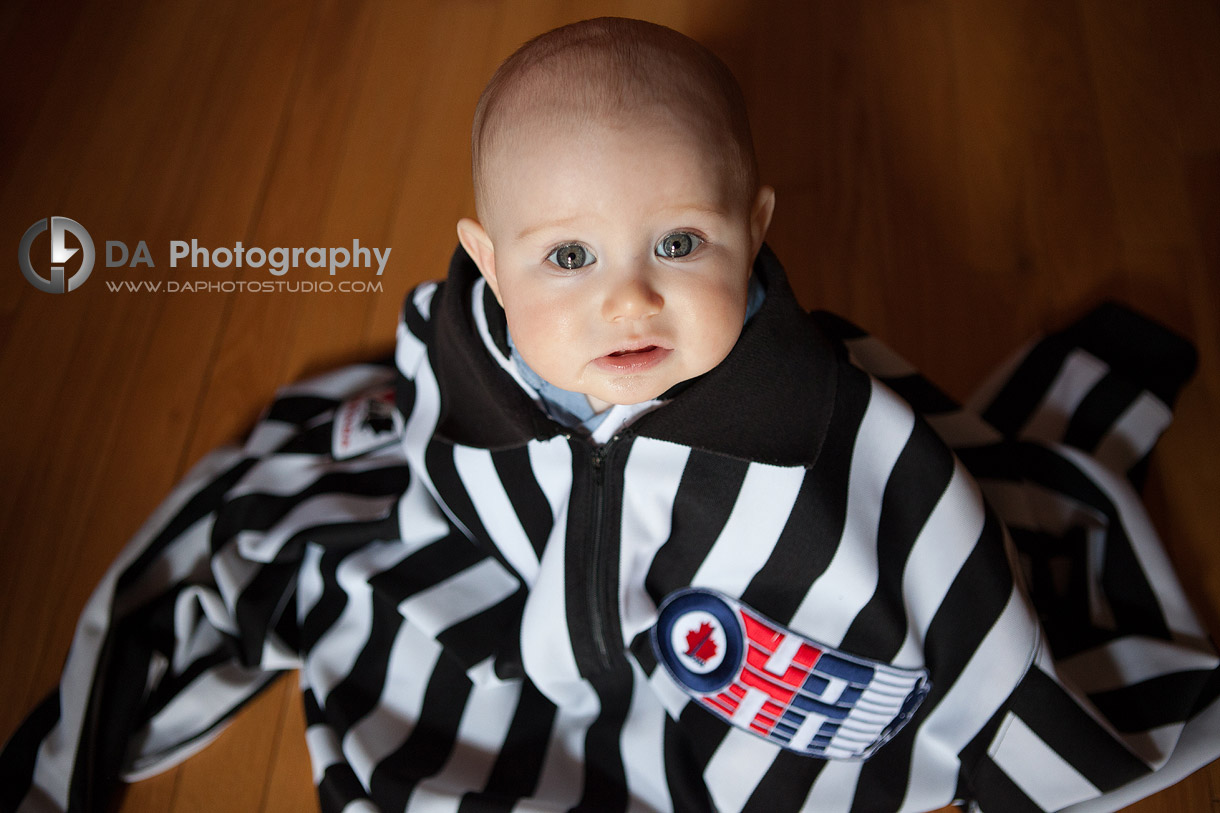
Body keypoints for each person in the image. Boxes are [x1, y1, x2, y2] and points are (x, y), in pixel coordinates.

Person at [3, 16, 1218, 813]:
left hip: (730, 670)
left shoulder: (816, 430)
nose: (625, 296)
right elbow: (447, 475)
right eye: (566, 255)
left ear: (756, 229)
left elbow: (928, 567)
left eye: (680, 241)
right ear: (486, 264)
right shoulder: (461, 362)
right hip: (525, 629)